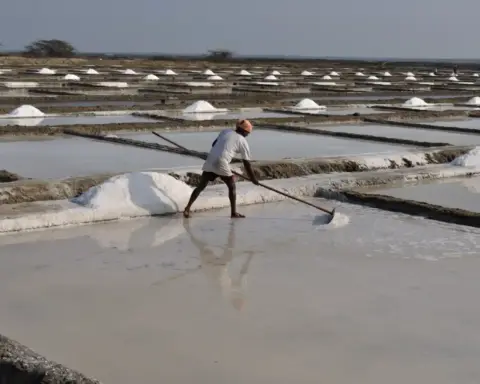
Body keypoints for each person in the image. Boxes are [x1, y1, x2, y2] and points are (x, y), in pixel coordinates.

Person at [183, 119, 259, 218]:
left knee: (201, 186)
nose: (247, 135)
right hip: (221, 162)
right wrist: (253, 179)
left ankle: (187, 208)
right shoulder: (242, 141)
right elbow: (246, 163)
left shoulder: (225, 131)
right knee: (232, 186)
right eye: (247, 133)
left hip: (211, 159)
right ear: (244, 131)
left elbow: (214, 144)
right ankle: (233, 213)